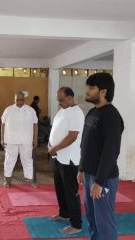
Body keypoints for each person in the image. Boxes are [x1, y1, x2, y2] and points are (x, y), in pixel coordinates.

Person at [77, 73, 124, 240]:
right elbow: (85, 144)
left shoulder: (111, 116)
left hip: (103, 178)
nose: (87, 91)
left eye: (91, 88)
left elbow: (110, 152)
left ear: (103, 91)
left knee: (103, 220)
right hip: (89, 174)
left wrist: (99, 181)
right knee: (92, 218)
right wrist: (81, 168)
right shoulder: (91, 113)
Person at [48, 87, 84, 234]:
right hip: (58, 157)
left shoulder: (76, 113)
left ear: (70, 97)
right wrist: (52, 146)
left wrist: (55, 147)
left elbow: (72, 136)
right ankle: (64, 214)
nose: (60, 102)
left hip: (69, 158)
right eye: (58, 100)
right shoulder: (62, 111)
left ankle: (76, 224)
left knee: (71, 192)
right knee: (60, 188)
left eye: (61, 100)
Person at [1, 92, 38, 188]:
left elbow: (35, 124)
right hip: (10, 140)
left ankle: (29, 179)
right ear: (14, 99)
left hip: (26, 140)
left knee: (27, 160)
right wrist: (2, 139)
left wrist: (35, 139)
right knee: (9, 159)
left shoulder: (30, 110)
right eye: (17, 99)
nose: (19, 101)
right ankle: (7, 180)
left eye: (21, 99)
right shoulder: (8, 110)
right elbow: (3, 124)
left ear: (24, 99)